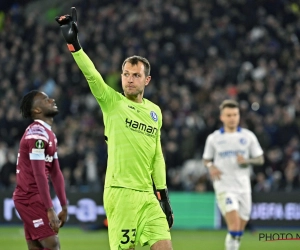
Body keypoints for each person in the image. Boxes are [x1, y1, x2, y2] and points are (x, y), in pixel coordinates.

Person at [55, 7, 173, 250]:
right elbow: (92, 75)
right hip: (121, 194)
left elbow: (157, 154)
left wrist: (163, 195)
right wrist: (74, 46)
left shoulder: (155, 112)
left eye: (136, 75)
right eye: (126, 74)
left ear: (146, 80)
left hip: (148, 197)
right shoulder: (112, 102)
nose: (129, 79)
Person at [202, 100, 264, 250]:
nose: (232, 118)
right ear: (222, 117)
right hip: (224, 186)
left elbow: (260, 159)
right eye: (228, 115)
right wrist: (211, 167)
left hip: (243, 186)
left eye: (235, 114)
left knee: (238, 231)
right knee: (235, 225)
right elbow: (206, 159)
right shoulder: (214, 138)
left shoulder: (248, 136)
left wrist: (247, 160)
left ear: (239, 116)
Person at [13, 90, 68, 250]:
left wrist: (63, 206)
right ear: (37, 110)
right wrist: (49, 209)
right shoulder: (36, 134)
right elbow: (38, 174)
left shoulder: (48, 134)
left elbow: (56, 173)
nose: (52, 100)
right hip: (29, 198)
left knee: (36, 247)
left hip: (34, 198)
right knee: (52, 245)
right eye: (46, 100)